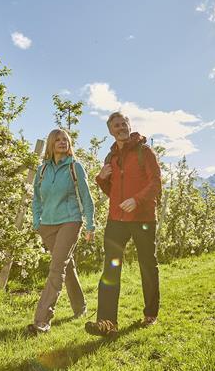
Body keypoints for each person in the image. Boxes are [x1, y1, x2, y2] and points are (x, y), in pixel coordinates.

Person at [85, 112, 161, 337]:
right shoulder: (110, 158)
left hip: (143, 218)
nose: (120, 128)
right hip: (116, 220)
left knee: (147, 265)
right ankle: (107, 323)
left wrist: (136, 200)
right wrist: (100, 178)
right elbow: (112, 191)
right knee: (111, 268)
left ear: (129, 125)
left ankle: (150, 314)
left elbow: (155, 181)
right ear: (110, 131)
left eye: (123, 124)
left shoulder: (144, 152)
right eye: (115, 126)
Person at [28, 129, 95, 335]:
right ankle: (80, 307)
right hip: (47, 225)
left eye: (65, 139)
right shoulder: (42, 170)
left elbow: (86, 197)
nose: (62, 142)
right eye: (57, 139)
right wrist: (37, 221)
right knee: (67, 265)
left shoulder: (75, 167)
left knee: (57, 268)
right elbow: (37, 198)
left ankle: (42, 320)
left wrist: (90, 224)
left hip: (70, 221)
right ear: (51, 144)